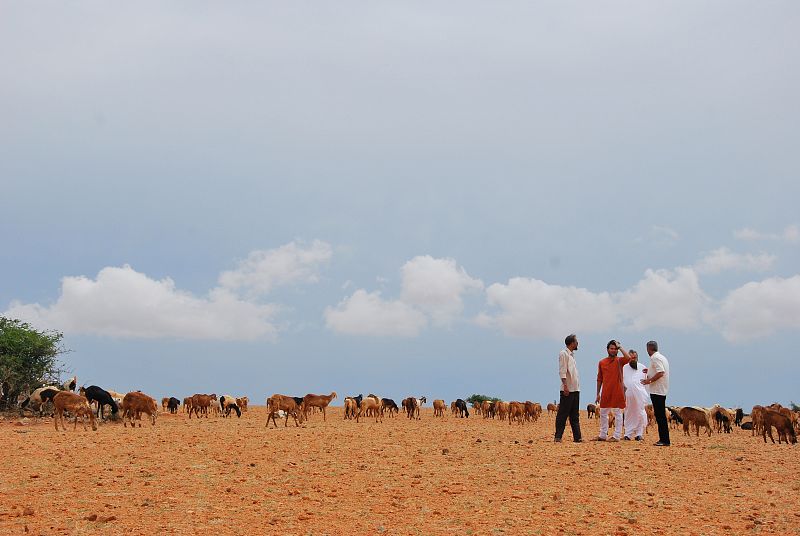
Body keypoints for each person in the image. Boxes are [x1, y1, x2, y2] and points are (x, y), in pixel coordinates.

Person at [594, 340, 632, 441]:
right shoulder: (602, 362)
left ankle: (616, 436)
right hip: (606, 391)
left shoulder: (619, 361)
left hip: (617, 390)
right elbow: (599, 379)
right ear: (607, 349)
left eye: (615, 349)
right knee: (603, 413)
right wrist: (598, 393)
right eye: (611, 348)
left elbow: (628, 358)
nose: (613, 350)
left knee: (618, 413)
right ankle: (602, 435)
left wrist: (620, 347)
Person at [641, 340, 670, 446]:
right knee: (660, 414)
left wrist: (648, 381)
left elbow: (661, 372)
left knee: (660, 415)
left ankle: (664, 440)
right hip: (661, 390)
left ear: (648, 348)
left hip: (657, 390)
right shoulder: (662, 357)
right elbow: (659, 370)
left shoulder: (655, 358)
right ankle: (664, 439)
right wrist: (648, 371)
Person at [554, 333, 582, 443]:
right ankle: (558, 436)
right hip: (568, 389)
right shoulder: (563, 354)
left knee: (575, 415)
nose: (577, 343)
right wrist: (565, 386)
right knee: (563, 414)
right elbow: (562, 370)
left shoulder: (571, 355)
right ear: (571, 343)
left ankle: (578, 437)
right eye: (576, 341)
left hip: (575, 389)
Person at [622, 350, 648, 441]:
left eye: (635, 357)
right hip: (629, 395)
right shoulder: (624, 367)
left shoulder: (643, 367)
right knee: (629, 413)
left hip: (640, 395)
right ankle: (628, 434)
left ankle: (639, 434)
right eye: (631, 357)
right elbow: (622, 382)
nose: (633, 359)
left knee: (639, 413)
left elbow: (646, 381)